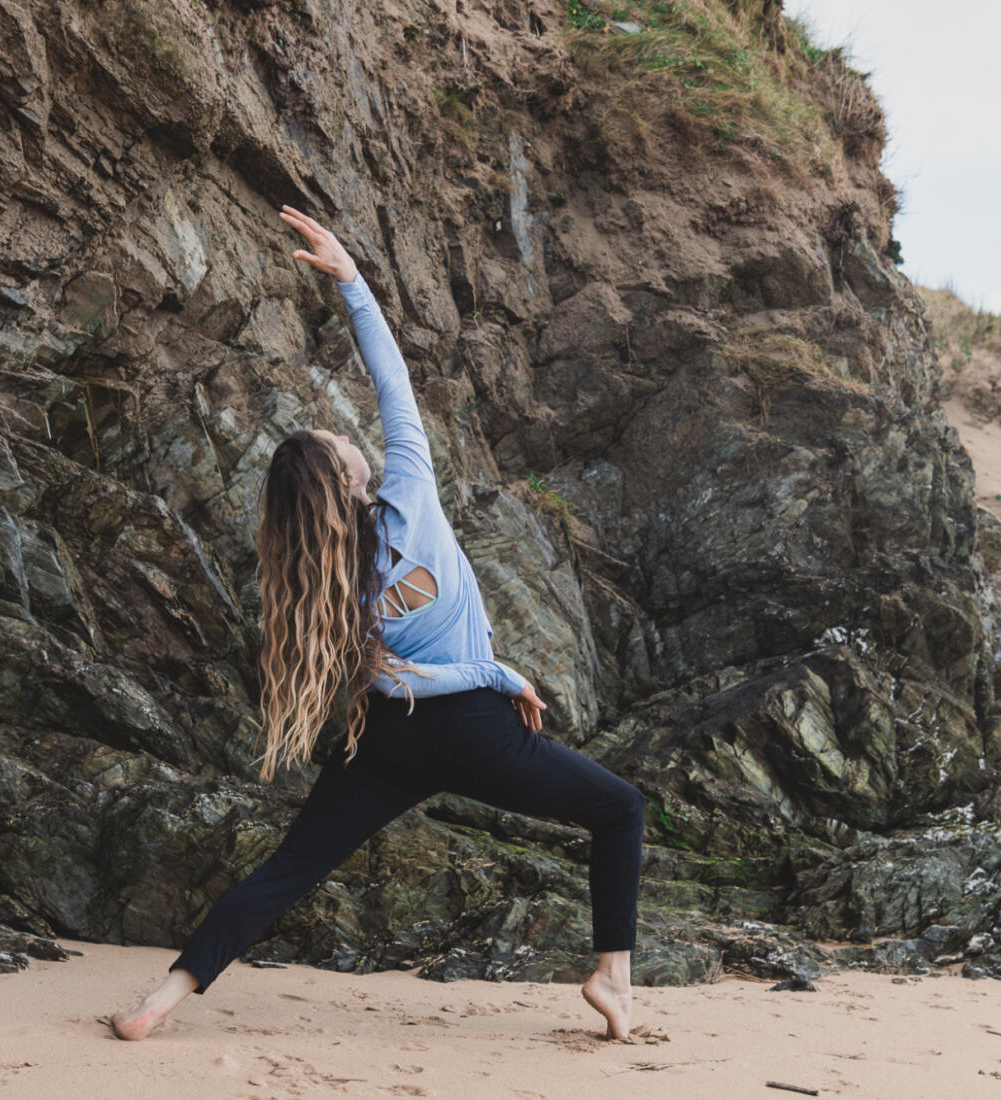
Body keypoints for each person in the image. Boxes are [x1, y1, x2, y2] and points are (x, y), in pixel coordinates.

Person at [111, 205, 645, 1042]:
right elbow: (393, 378)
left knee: (290, 867)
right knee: (619, 811)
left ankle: (161, 1002)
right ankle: (613, 978)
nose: (350, 434)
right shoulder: (411, 498)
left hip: (386, 743)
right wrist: (353, 280)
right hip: (474, 730)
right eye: (337, 437)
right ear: (347, 473)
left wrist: (487, 679)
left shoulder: (315, 590)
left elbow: (387, 679)